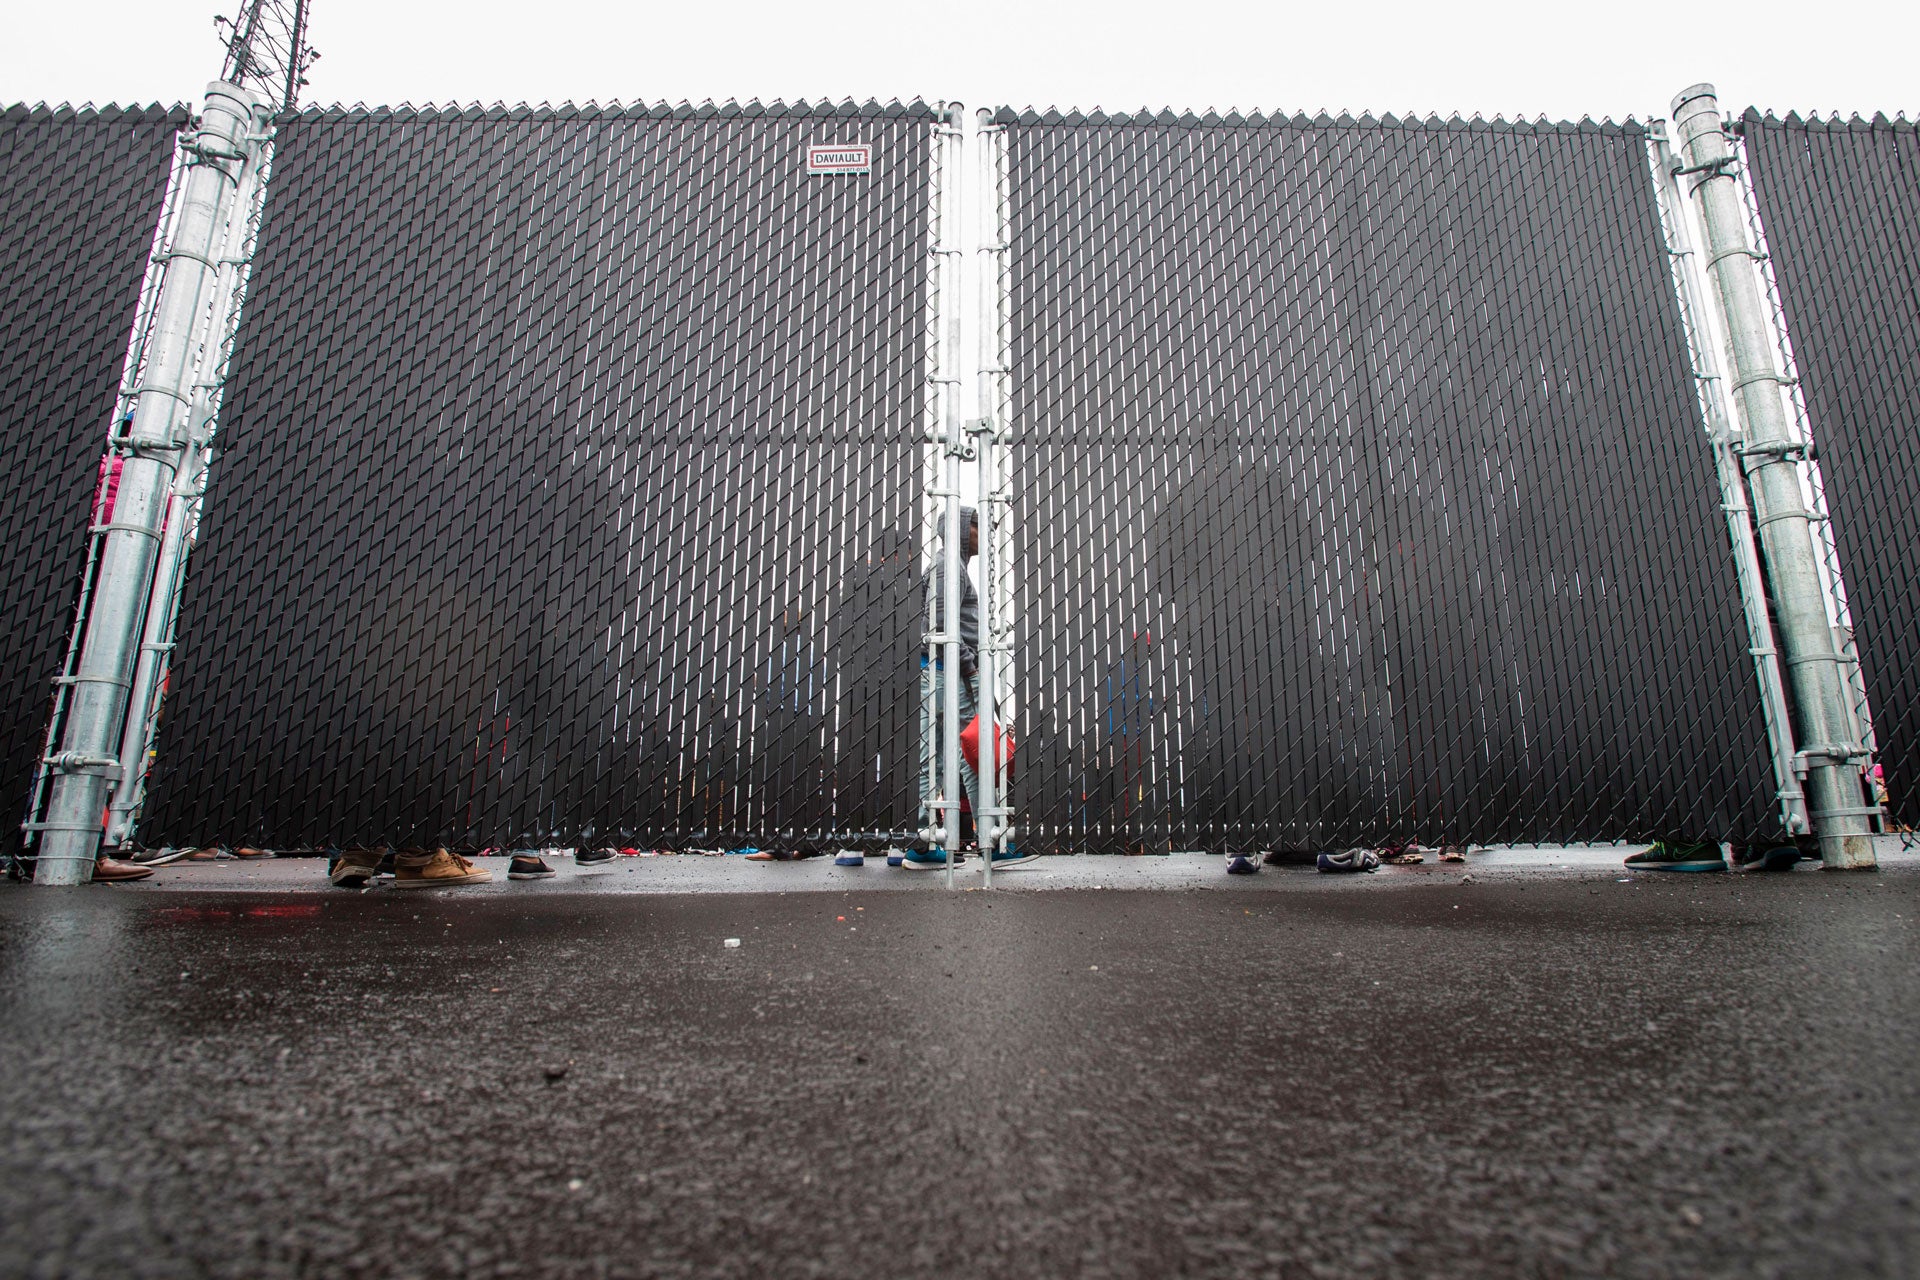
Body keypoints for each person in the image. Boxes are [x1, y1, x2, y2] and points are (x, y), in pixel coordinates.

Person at [916, 505, 1037, 872]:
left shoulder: (950, 565)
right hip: (951, 675)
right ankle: (991, 843)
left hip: (942, 673)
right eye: (977, 527)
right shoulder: (947, 566)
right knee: (976, 755)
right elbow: (941, 624)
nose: (983, 535)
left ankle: (923, 844)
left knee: (937, 759)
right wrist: (970, 670)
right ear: (957, 529)